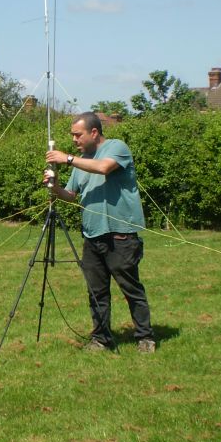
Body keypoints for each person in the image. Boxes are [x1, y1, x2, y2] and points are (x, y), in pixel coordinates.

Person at [44, 112, 156, 353]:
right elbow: (71, 195)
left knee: (131, 289)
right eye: (72, 135)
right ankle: (101, 339)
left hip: (120, 235)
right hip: (92, 235)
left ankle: (145, 337)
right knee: (96, 292)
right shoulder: (82, 160)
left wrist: (68, 159)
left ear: (93, 132)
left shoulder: (117, 147)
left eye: (78, 134)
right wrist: (54, 188)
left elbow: (105, 168)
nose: (74, 139)